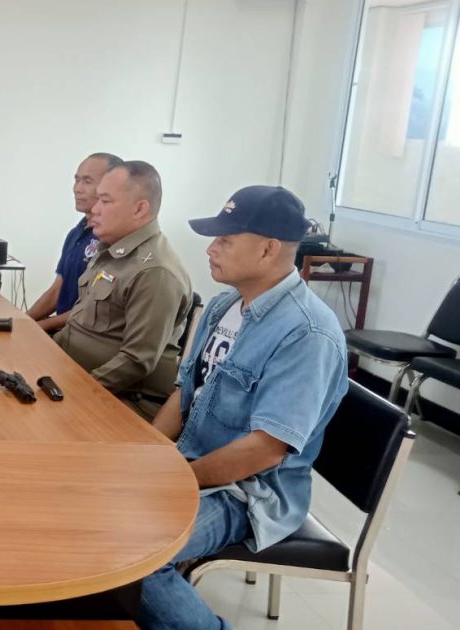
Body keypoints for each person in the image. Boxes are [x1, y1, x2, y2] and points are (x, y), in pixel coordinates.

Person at [138, 185, 348, 629]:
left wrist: (177, 480)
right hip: (193, 465)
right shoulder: (223, 306)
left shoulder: (307, 334)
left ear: (268, 249)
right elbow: (185, 393)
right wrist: (145, 457)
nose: (210, 249)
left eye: (226, 240)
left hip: (248, 494)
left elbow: (266, 450)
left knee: (140, 556)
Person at [54, 160, 192, 420]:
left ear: (140, 209)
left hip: (121, 398)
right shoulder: (111, 250)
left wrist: (75, 391)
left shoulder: (154, 271)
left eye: (105, 201)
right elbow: (79, 323)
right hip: (74, 374)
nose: (94, 209)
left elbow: (136, 361)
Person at [26, 152, 122, 331]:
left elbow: (89, 307)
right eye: (77, 180)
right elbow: (57, 291)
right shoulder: (76, 233)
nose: (77, 188)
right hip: (61, 329)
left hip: (83, 334)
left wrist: (37, 328)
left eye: (87, 181)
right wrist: (23, 322)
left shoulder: (112, 241)